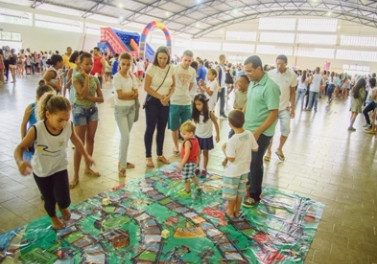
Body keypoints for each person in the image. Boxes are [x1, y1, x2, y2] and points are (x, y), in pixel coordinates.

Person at [14, 93, 94, 229]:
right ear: (48, 115)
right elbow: (19, 148)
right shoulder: (37, 129)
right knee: (49, 199)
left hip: (59, 167)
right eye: (60, 120)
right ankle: (53, 217)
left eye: (66, 119)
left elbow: (77, 141)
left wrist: (86, 156)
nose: (63, 124)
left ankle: (63, 207)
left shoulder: (68, 125)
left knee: (64, 199)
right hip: (41, 171)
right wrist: (20, 162)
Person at [242, 55, 280, 207]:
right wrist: (240, 116)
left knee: (256, 162)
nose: (248, 74)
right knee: (249, 161)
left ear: (259, 68)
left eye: (250, 71)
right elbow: (249, 103)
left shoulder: (270, 87)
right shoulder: (253, 83)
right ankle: (249, 184)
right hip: (249, 129)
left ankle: (255, 195)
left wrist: (258, 131)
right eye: (246, 71)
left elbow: (273, 113)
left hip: (262, 133)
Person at [70, 52, 104, 188]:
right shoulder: (76, 77)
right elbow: (81, 94)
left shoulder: (95, 79)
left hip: (93, 111)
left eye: (91, 63)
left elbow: (101, 99)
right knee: (79, 142)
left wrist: (90, 98)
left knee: (90, 139)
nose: (89, 66)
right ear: (80, 64)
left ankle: (87, 168)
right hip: (80, 111)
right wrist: (87, 79)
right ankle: (75, 175)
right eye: (86, 64)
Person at [222, 110, 258, 218]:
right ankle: (237, 211)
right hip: (244, 170)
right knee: (240, 192)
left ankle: (230, 211)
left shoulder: (233, 140)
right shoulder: (249, 134)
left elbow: (231, 159)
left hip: (233, 172)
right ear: (244, 121)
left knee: (231, 193)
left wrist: (224, 149)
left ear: (229, 124)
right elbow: (255, 148)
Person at [144, 46, 175, 168]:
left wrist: (167, 97)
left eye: (165, 58)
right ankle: (148, 156)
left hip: (166, 102)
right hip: (152, 102)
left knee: (162, 129)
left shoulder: (171, 68)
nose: (162, 60)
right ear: (156, 57)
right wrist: (160, 97)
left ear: (168, 58)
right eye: (160, 58)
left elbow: (173, 86)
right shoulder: (151, 68)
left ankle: (160, 154)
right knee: (150, 129)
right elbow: (146, 87)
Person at [265, 55, 297, 162]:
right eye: (277, 63)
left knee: (286, 130)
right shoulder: (270, 74)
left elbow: (292, 92)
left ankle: (279, 149)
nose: (279, 66)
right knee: (270, 131)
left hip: (284, 108)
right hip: (272, 108)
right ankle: (268, 151)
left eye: (281, 64)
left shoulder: (292, 75)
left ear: (286, 64)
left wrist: (293, 107)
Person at [113, 52, 139, 177]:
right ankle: (122, 166)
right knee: (126, 137)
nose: (126, 67)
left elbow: (136, 93)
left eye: (128, 64)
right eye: (123, 64)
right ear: (119, 64)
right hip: (120, 111)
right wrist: (130, 94)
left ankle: (121, 160)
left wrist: (128, 94)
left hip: (131, 109)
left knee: (125, 138)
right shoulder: (116, 77)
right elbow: (120, 95)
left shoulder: (132, 77)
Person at [169, 50, 196, 155]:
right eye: (185, 60)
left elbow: (191, 84)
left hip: (186, 102)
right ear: (181, 58)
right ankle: (176, 146)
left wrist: (185, 93)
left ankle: (185, 145)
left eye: (189, 61)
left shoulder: (192, 71)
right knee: (174, 127)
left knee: (187, 127)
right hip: (175, 101)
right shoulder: (174, 68)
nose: (187, 63)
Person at [192, 94, 220, 178]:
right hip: (198, 136)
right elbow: (194, 124)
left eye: (199, 104)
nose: (197, 106)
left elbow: (216, 123)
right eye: (196, 104)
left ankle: (204, 168)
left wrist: (217, 134)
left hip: (207, 137)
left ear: (204, 104)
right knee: (197, 153)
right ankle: (197, 167)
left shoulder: (210, 113)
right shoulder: (195, 113)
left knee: (205, 153)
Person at [177, 120, 201, 196]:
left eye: (184, 134)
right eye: (181, 133)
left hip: (187, 163)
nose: (181, 135)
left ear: (191, 133)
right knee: (192, 174)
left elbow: (187, 154)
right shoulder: (196, 140)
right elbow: (198, 150)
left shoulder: (187, 142)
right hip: (193, 161)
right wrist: (198, 160)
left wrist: (181, 164)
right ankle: (197, 186)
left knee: (186, 178)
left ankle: (188, 191)